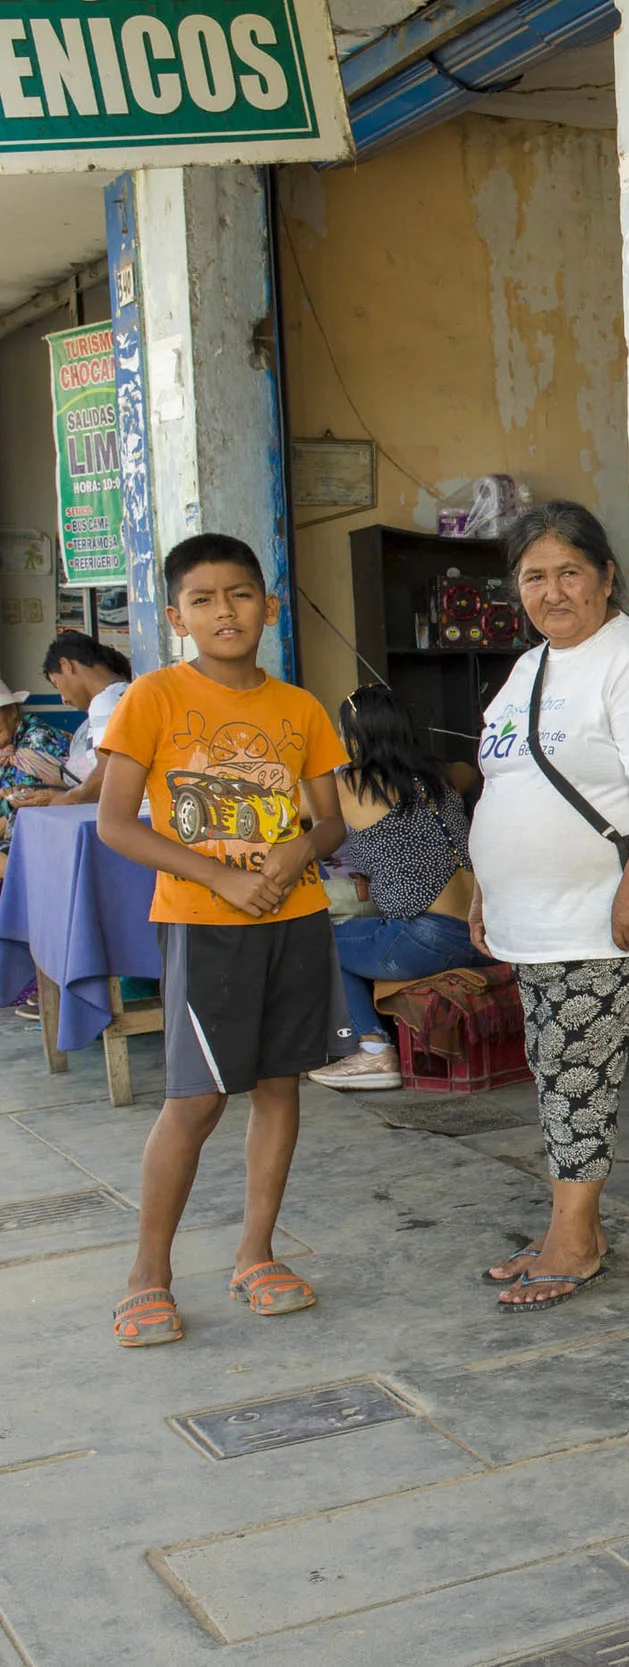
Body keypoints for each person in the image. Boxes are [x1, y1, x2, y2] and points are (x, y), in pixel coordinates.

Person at [94, 533, 354, 1347]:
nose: (224, 611)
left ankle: (256, 1254)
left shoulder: (301, 708)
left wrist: (300, 849)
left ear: (268, 606)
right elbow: (114, 823)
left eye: (239, 594)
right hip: (206, 928)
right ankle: (148, 1275)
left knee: (281, 1085)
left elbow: (330, 819)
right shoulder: (153, 699)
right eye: (202, 599)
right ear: (177, 617)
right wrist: (222, 877)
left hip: (296, 918)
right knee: (196, 1099)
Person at [468, 502, 629, 1312]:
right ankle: (575, 1227)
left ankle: (576, 1236)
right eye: (535, 576)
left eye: (571, 571)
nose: (553, 591)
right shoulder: (529, 668)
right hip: (532, 918)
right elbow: (505, 783)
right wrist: (484, 893)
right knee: (558, 1067)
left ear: (608, 577)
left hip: (597, 914)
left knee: (577, 1072)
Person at [306, 684, 492, 1091]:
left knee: (316, 940)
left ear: (355, 737)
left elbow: (293, 806)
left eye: (342, 732)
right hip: (482, 936)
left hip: (423, 940)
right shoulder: (442, 776)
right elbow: (471, 768)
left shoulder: (350, 784)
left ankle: (373, 1050)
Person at [4, 632, 131, 810]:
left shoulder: (105, 702)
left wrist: (62, 799)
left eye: (57, 684)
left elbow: (109, 773)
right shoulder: (128, 693)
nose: (63, 698)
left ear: (66, 665)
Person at [0, 687, 71, 857]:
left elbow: (30, 801)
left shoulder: (37, 737)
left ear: (11, 711)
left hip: (41, 837)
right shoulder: (7, 744)